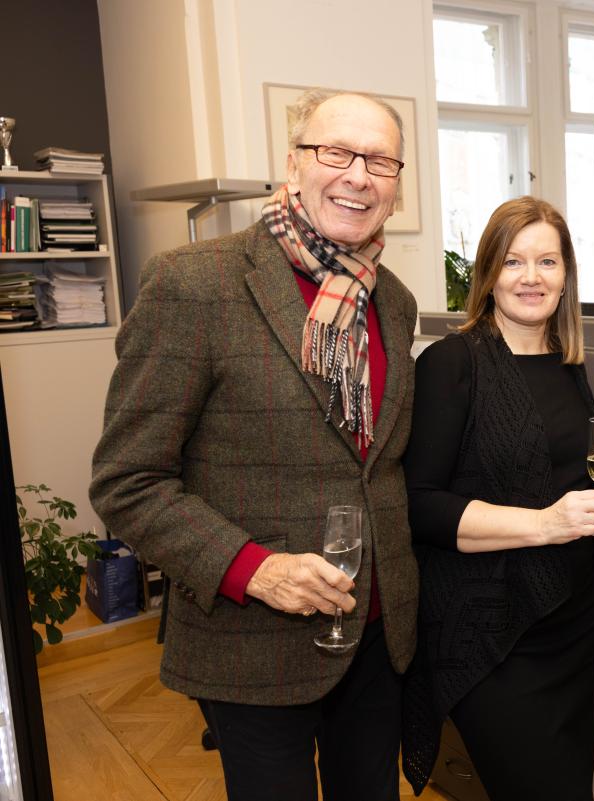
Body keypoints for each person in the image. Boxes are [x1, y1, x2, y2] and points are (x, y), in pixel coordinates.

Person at [90, 90, 419, 801]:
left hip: (376, 633)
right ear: (294, 164)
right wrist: (257, 570)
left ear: (396, 185)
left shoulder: (392, 300)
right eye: (337, 152)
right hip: (253, 640)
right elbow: (128, 481)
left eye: (380, 161)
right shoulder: (193, 283)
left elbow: (375, 467)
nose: (358, 175)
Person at [400, 196, 594, 800]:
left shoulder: (567, 363)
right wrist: (544, 524)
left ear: (566, 275)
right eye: (513, 261)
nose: (532, 277)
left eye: (547, 262)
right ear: (488, 273)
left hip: (570, 623)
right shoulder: (452, 363)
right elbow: (420, 505)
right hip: (494, 634)